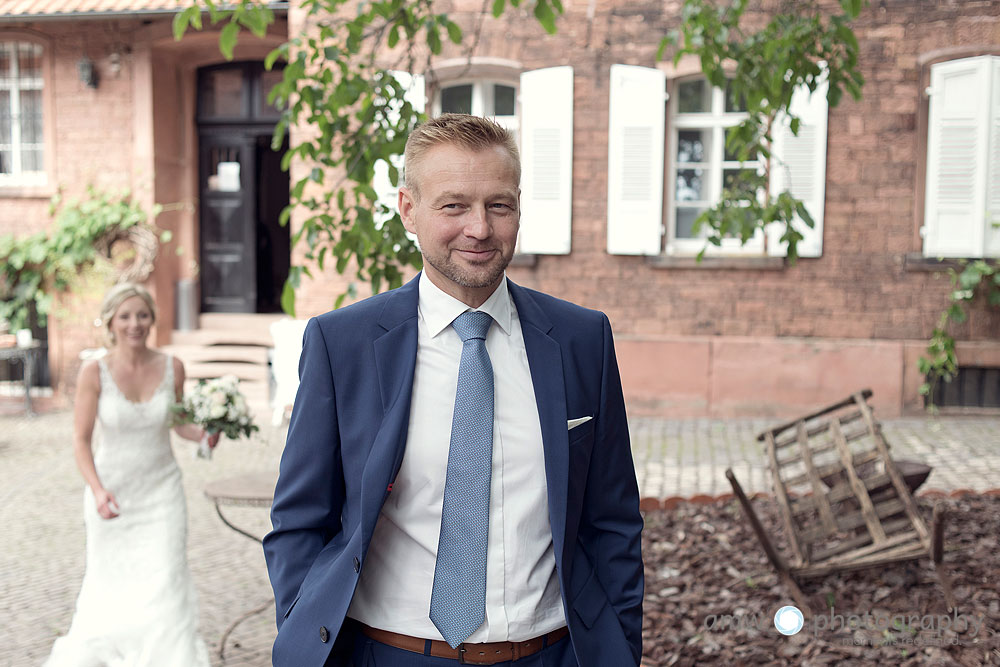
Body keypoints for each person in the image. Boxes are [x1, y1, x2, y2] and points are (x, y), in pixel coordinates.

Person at [264, 113, 644, 667]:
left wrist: (621, 648)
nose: (480, 228)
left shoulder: (581, 340)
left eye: (499, 205)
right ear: (408, 210)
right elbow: (299, 520)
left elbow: (612, 519)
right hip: (389, 654)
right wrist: (308, 638)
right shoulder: (341, 343)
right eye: (454, 205)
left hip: (551, 654)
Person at [45, 282, 219, 666]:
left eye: (142, 315)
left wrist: (207, 436)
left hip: (163, 493)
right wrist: (97, 490)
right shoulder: (94, 372)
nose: (134, 324)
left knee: (167, 576)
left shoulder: (173, 366)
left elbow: (179, 424)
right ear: (110, 322)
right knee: (111, 585)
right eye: (125, 316)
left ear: (152, 320)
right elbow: (80, 440)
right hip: (113, 494)